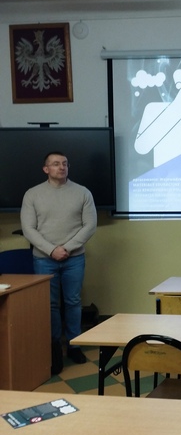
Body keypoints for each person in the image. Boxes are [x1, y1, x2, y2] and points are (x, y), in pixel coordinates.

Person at [21, 151, 97, 375]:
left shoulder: (82, 192)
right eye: (55, 164)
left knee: (73, 301)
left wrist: (67, 248)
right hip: (44, 259)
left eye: (64, 164)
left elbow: (89, 226)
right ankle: (54, 347)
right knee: (50, 304)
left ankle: (74, 345)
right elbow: (28, 228)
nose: (61, 167)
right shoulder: (32, 194)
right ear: (46, 169)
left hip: (74, 258)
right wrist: (51, 250)